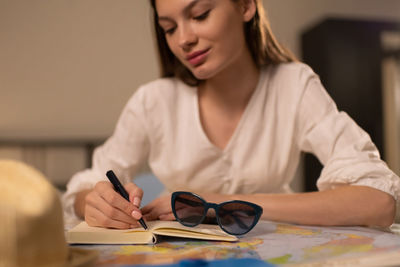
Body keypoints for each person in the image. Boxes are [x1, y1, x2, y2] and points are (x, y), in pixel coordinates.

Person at [63, 0, 400, 229]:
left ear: (245, 5)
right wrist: (95, 203)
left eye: (199, 15)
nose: (184, 39)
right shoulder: (153, 101)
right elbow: (84, 187)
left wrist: (216, 203)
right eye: (168, 28)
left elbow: (379, 200)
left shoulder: (293, 85)